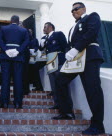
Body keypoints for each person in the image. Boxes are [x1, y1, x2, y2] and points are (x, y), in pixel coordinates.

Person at [52, 2, 105, 135]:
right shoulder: (73, 27)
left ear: (83, 9)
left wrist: (76, 48)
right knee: (59, 79)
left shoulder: (92, 16)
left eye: (76, 9)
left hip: (89, 56)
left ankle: (98, 125)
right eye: (72, 11)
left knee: (92, 90)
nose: (73, 12)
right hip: (75, 59)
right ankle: (67, 112)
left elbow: (91, 33)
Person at [0, 15, 29, 109]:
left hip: (5, 56)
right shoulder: (23, 30)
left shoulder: (3, 28)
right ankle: (18, 103)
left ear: (10, 20)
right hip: (18, 57)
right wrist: (18, 50)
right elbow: (27, 41)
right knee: (18, 80)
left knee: (5, 80)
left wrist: (6, 49)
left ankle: (4, 103)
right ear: (18, 21)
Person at [42, 22, 68, 109]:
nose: (43, 29)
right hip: (50, 62)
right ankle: (57, 104)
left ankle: (65, 106)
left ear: (50, 27)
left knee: (60, 83)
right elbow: (41, 48)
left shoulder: (58, 34)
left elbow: (65, 47)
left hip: (58, 60)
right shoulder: (45, 39)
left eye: (45, 27)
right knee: (53, 84)